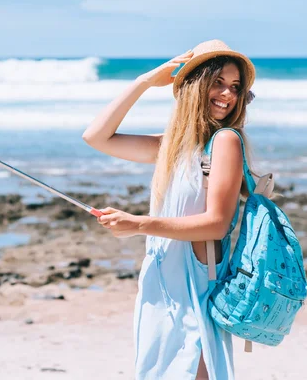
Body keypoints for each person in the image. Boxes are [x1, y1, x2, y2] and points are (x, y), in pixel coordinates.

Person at [82, 40, 257, 380]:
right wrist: (144, 81)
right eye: (218, 82)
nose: (228, 94)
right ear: (196, 85)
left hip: (197, 284)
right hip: (161, 281)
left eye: (235, 87)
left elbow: (216, 224)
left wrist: (139, 224)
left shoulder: (225, 141)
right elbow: (95, 137)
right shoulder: (171, 146)